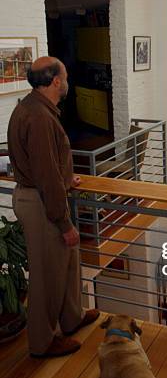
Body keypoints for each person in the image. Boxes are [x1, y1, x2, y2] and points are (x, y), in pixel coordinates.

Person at [7, 56, 99, 357]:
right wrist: (65, 224)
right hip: (41, 204)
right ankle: (42, 342)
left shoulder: (35, 108)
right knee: (48, 275)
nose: (68, 80)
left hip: (43, 196)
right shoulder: (40, 118)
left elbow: (45, 165)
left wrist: (65, 177)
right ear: (56, 81)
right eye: (66, 75)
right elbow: (45, 177)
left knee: (69, 261)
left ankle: (71, 318)